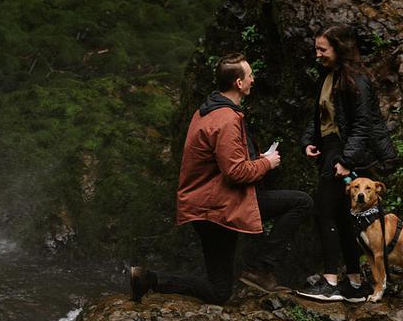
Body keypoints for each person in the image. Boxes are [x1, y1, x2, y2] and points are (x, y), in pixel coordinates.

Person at [130, 53, 312, 304]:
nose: (253, 79)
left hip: (208, 204)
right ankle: (261, 269)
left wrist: (257, 157)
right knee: (302, 202)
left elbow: (223, 159)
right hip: (217, 207)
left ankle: (148, 278)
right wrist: (266, 163)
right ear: (239, 83)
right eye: (250, 76)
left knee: (218, 289)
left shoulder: (208, 111)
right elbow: (235, 172)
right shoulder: (226, 119)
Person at [295, 24, 398, 302]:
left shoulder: (357, 80)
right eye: (316, 48)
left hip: (346, 152)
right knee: (341, 216)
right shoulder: (328, 75)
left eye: (322, 49)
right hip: (331, 149)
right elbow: (317, 115)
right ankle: (353, 283)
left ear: (339, 49)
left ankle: (331, 282)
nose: (317, 54)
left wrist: (346, 161)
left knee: (325, 212)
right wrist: (308, 141)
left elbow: (363, 125)